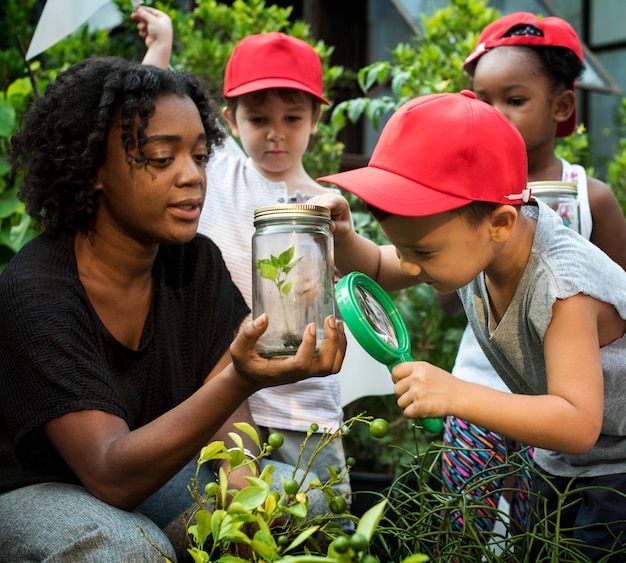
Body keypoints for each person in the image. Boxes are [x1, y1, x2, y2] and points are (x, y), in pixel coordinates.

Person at [0, 57, 346, 562]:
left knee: (302, 500)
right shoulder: (37, 290)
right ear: (93, 168)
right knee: (126, 548)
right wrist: (242, 377)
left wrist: (250, 502)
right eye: (162, 158)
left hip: (152, 476)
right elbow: (111, 475)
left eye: (201, 157)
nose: (192, 177)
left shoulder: (194, 262)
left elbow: (232, 428)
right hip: (36, 491)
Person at [313, 90, 626, 560]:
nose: (410, 267)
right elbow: (378, 267)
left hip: (615, 471)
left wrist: (458, 394)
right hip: (559, 463)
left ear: (499, 222)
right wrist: (343, 237)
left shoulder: (562, 286)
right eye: (404, 250)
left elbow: (579, 421)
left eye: (421, 254)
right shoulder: (469, 242)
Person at [133, 5, 392, 514]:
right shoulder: (220, 168)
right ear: (230, 120)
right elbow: (154, 107)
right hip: (223, 400)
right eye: (258, 119)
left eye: (292, 118)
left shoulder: (324, 208)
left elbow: (359, 286)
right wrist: (161, 43)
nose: (276, 133)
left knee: (318, 521)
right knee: (227, 522)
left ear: (316, 119)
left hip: (305, 404)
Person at [436, 11, 626, 537]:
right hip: (475, 393)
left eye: (514, 100)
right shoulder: (467, 198)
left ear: (562, 105)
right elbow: (449, 299)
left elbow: (617, 315)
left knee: (534, 535)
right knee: (462, 531)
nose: (495, 115)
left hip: (559, 408)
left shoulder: (590, 198)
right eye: (482, 100)